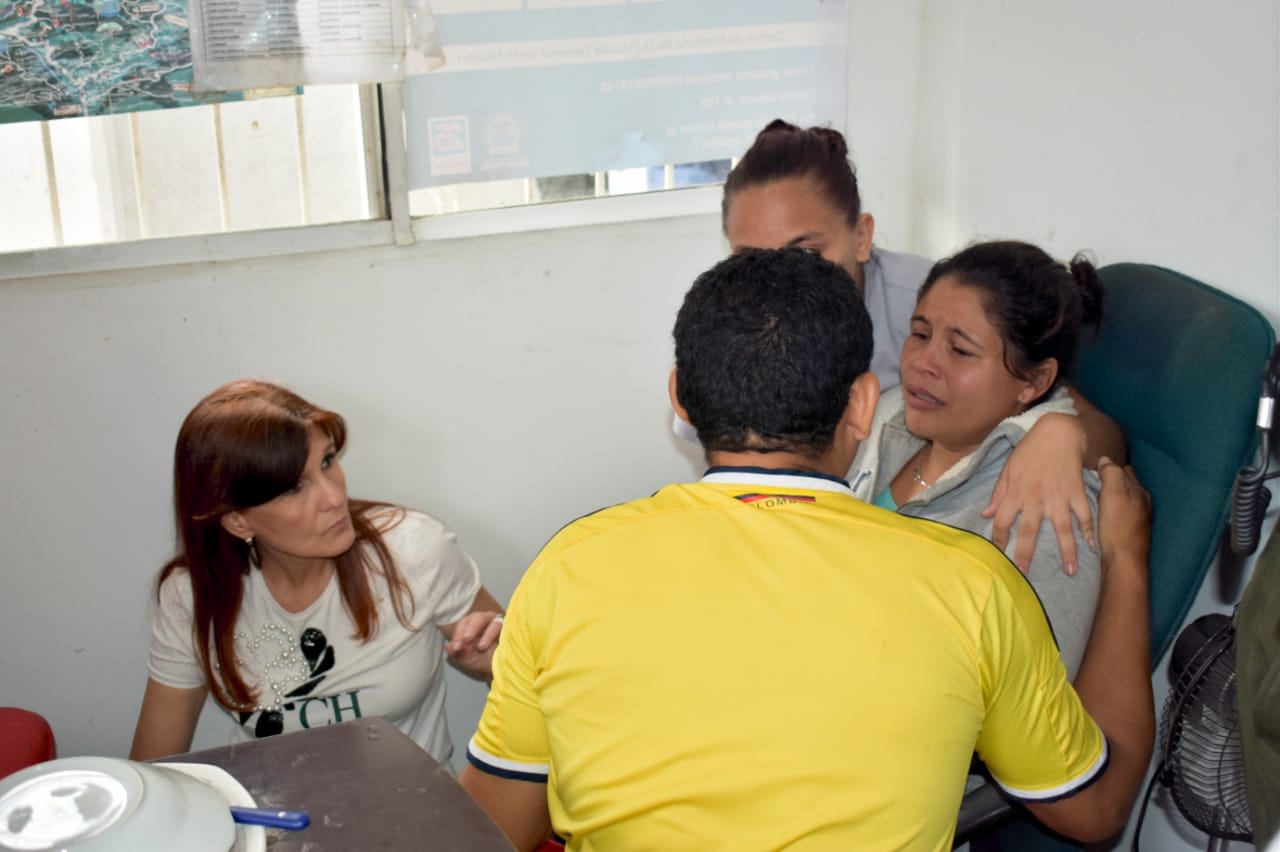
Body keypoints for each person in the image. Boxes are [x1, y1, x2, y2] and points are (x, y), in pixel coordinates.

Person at [460, 249, 1154, 850]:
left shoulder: (570, 566)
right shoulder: (976, 585)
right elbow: (1094, 810)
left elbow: (492, 829)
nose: (927, 364)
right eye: (919, 336)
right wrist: (1129, 561)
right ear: (861, 406)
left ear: (681, 398)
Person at [720, 119, 1126, 577]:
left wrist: (1062, 433)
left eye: (808, 254)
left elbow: (1083, 415)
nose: (781, 283)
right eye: (752, 260)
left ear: (862, 237)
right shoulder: (732, 323)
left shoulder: (933, 300)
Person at [129, 380, 504, 766]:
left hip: (419, 813)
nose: (335, 497)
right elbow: (153, 767)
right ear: (238, 520)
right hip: (271, 818)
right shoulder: (192, 597)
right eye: (295, 487)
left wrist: (497, 663)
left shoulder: (413, 550)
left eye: (327, 462)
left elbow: (534, 686)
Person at [850, 240, 1105, 677]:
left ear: (1035, 381)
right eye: (921, 334)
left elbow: (1031, 701)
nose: (921, 364)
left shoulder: (1045, 509)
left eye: (961, 351)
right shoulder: (890, 421)